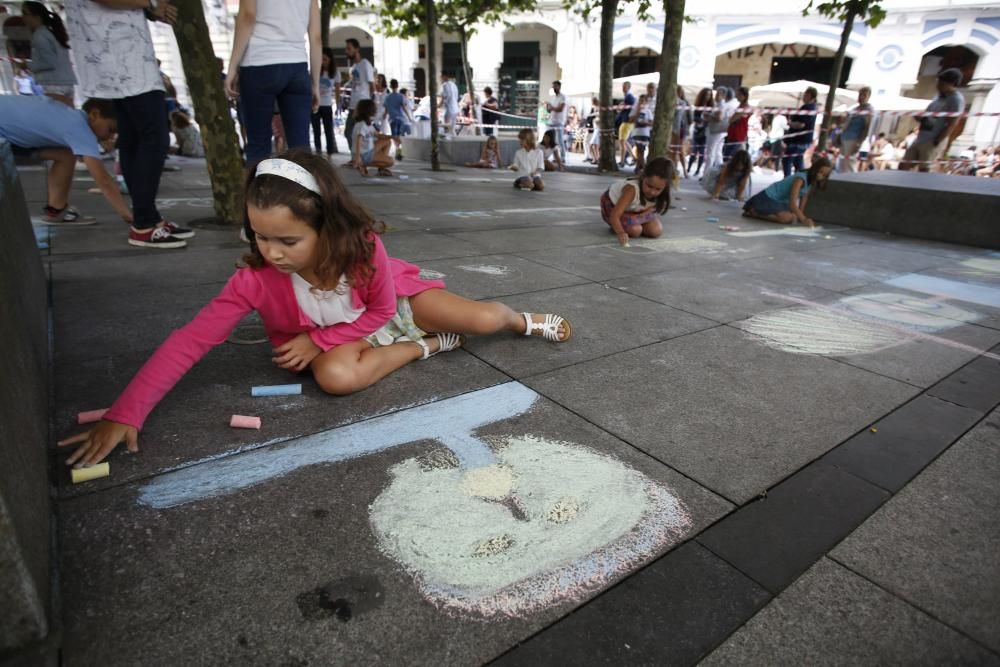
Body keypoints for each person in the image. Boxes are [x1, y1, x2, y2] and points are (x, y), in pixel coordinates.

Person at [57, 150, 573, 469]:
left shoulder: (365, 249)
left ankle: (521, 320)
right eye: (258, 236)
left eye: (286, 239)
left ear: (327, 227)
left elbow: (379, 310)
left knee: (483, 320)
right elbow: (189, 340)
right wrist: (127, 412)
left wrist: (319, 338)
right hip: (352, 342)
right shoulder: (254, 280)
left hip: (395, 308)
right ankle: (424, 348)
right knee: (335, 380)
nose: (271, 252)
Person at [65, 0, 193, 248]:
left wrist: (148, 9)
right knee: (153, 137)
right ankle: (144, 223)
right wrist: (151, 3)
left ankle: (148, 219)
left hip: (117, 53)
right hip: (120, 57)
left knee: (134, 137)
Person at [0, 96, 142, 229]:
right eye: (110, 129)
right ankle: (56, 210)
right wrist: (130, 216)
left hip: (8, 129)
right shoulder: (80, 128)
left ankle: (56, 211)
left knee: (66, 155)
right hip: (5, 130)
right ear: (94, 114)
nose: (109, 136)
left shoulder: (70, 116)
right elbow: (104, 181)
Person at [224, 0, 320, 165]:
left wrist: (233, 66)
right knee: (301, 149)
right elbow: (316, 37)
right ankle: (302, 190)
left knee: (258, 147)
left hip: (259, 63)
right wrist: (315, 83)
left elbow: (247, 17)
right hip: (297, 65)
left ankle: (258, 189)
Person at [899, 68, 965, 173]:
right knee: (904, 165)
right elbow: (929, 116)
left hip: (933, 140)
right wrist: (920, 118)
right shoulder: (938, 97)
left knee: (924, 169)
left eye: (941, 82)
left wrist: (937, 140)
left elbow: (952, 123)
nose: (938, 85)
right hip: (922, 136)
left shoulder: (956, 99)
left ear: (951, 83)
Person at [600, 156, 672, 246]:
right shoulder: (631, 190)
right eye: (649, 186)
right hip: (613, 208)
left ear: (664, 187)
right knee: (635, 231)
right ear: (643, 177)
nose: (652, 192)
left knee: (656, 231)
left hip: (635, 211)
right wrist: (620, 232)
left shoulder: (661, 193)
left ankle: (632, 222)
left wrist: (642, 216)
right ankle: (618, 226)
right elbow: (614, 215)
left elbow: (651, 209)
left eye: (658, 189)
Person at [743, 156, 831, 227]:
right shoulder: (800, 179)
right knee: (787, 218)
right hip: (767, 198)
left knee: (791, 217)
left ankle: (757, 211)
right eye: (820, 172)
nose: (821, 176)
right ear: (815, 168)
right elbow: (792, 203)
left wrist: (800, 217)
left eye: (824, 175)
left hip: (779, 202)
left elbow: (804, 198)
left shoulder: (810, 182)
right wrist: (804, 219)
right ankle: (754, 212)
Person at [21, 1, 76, 106]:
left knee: (56, 118)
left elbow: (49, 62)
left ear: (37, 16)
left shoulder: (39, 36)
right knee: (69, 117)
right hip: (66, 82)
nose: (23, 18)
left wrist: (27, 65)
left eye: (25, 13)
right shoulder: (52, 33)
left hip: (53, 83)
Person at [343, 37, 374, 155]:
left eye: (349, 49)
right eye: (346, 49)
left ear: (357, 49)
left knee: (357, 132)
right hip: (353, 104)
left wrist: (368, 104)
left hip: (362, 104)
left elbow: (372, 86)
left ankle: (358, 156)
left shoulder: (365, 64)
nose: (346, 51)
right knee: (349, 132)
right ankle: (356, 156)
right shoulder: (354, 67)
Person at [351, 98, 394, 177]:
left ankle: (381, 168)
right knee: (391, 161)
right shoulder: (362, 125)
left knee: (387, 142)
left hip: (368, 150)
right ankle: (362, 164)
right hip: (364, 154)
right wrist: (357, 157)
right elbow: (358, 140)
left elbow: (378, 135)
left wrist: (392, 137)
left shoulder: (368, 124)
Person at [783, 86, 818, 176]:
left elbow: (801, 124)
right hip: (804, 139)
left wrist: (790, 123)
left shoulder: (807, 108)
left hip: (798, 139)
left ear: (810, 95)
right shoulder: (813, 108)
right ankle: (800, 181)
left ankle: (788, 181)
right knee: (798, 162)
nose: (804, 96)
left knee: (787, 161)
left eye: (806, 94)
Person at [837, 86, 873, 172]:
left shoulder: (869, 110)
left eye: (864, 95)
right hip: (844, 138)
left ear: (868, 97)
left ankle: (849, 182)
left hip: (854, 140)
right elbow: (846, 124)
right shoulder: (854, 109)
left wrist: (859, 142)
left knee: (849, 164)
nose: (861, 97)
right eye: (860, 94)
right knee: (842, 163)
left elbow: (867, 128)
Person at [311, 47, 339, 156]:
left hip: (327, 105)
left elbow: (337, 90)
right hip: (315, 105)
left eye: (325, 59)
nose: (323, 62)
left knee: (328, 131)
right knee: (316, 131)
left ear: (330, 59)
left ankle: (330, 153)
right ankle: (318, 153)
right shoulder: (316, 71)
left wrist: (338, 105)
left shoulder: (335, 73)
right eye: (321, 59)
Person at [705, 87, 732, 171]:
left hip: (716, 132)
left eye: (718, 94)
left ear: (723, 95)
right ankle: (720, 171)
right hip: (719, 132)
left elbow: (719, 118)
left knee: (711, 152)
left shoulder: (721, 105)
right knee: (717, 153)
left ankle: (707, 173)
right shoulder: (720, 105)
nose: (716, 96)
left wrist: (709, 116)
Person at [687, 87, 712, 177]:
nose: (707, 97)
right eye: (706, 94)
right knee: (694, 151)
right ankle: (689, 168)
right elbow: (694, 117)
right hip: (697, 131)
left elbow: (711, 119)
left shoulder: (711, 107)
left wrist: (707, 120)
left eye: (709, 95)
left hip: (705, 132)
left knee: (702, 152)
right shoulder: (698, 106)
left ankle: (698, 170)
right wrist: (700, 120)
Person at [383, 78, 410, 160]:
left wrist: (384, 115)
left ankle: (398, 151)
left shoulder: (387, 97)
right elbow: (404, 107)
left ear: (390, 86)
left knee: (394, 136)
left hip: (392, 119)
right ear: (397, 86)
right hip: (400, 118)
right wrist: (408, 116)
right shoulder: (401, 96)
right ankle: (399, 151)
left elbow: (386, 108)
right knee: (398, 135)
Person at [723, 86, 751, 160]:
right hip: (733, 134)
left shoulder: (745, 107)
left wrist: (730, 118)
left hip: (738, 135)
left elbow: (732, 119)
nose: (736, 96)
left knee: (728, 157)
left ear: (743, 96)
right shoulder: (740, 106)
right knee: (728, 155)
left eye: (738, 94)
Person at [629, 94, 653, 173]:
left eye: (643, 101)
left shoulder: (648, 111)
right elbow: (631, 120)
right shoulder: (635, 109)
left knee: (641, 150)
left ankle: (640, 167)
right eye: (640, 100)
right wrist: (637, 112)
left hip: (645, 133)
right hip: (636, 132)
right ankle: (641, 167)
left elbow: (651, 122)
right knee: (639, 150)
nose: (641, 102)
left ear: (646, 102)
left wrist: (645, 122)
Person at [671, 86, 691, 176]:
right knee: (677, 150)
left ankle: (678, 171)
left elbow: (678, 118)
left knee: (676, 150)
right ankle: (681, 171)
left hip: (678, 129)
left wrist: (676, 131)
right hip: (679, 129)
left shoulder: (680, 103)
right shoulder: (684, 103)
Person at [545, 80, 567, 161]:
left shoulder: (563, 97)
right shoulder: (552, 97)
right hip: (551, 121)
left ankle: (563, 157)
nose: (553, 88)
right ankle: (555, 157)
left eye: (555, 86)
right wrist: (547, 106)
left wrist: (552, 108)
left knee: (560, 141)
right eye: (553, 86)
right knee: (552, 141)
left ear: (559, 87)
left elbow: (561, 109)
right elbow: (549, 110)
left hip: (559, 122)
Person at [617, 81, 636, 167]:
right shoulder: (628, 97)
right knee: (624, 141)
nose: (623, 88)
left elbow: (626, 108)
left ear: (629, 87)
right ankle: (632, 158)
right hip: (627, 122)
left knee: (622, 142)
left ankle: (622, 161)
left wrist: (621, 107)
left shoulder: (629, 96)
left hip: (627, 122)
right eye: (623, 86)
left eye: (625, 86)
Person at [439, 72, 459, 136]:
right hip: (455, 109)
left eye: (441, 76)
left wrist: (438, 106)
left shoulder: (444, 85)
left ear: (444, 76)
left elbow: (444, 97)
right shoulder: (454, 85)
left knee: (447, 127)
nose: (440, 78)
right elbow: (456, 97)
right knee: (452, 128)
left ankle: (448, 140)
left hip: (448, 109)